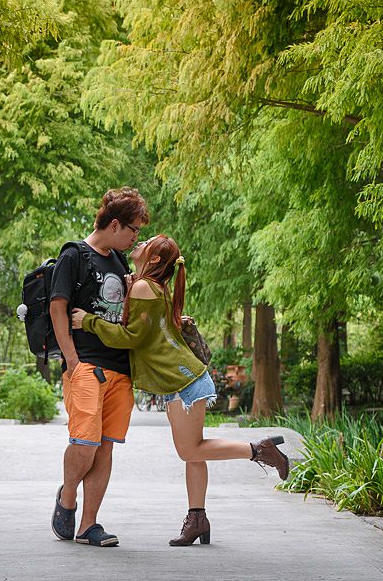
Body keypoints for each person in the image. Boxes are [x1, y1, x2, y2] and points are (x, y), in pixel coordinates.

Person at [71, 234, 290, 547]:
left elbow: (131, 337)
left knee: (190, 450)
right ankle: (197, 518)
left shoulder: (146, 287)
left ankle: (259, 450)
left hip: (183, 381)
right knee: (194, 451)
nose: (138, 243)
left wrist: (89, 322)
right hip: (182, 379)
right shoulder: (148, 286)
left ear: (156, 259)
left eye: (145, 242)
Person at [49, 187, 149, 548]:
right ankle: (67, 497)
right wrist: (72, 360)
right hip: (87, 365)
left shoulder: (120, 261)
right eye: (134, 230)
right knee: (86, 443)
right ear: (116, 224)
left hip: (120, 370)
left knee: (105, 447)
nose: (136, 237)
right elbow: (57, 308)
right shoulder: (74, 255)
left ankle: (88, 525)